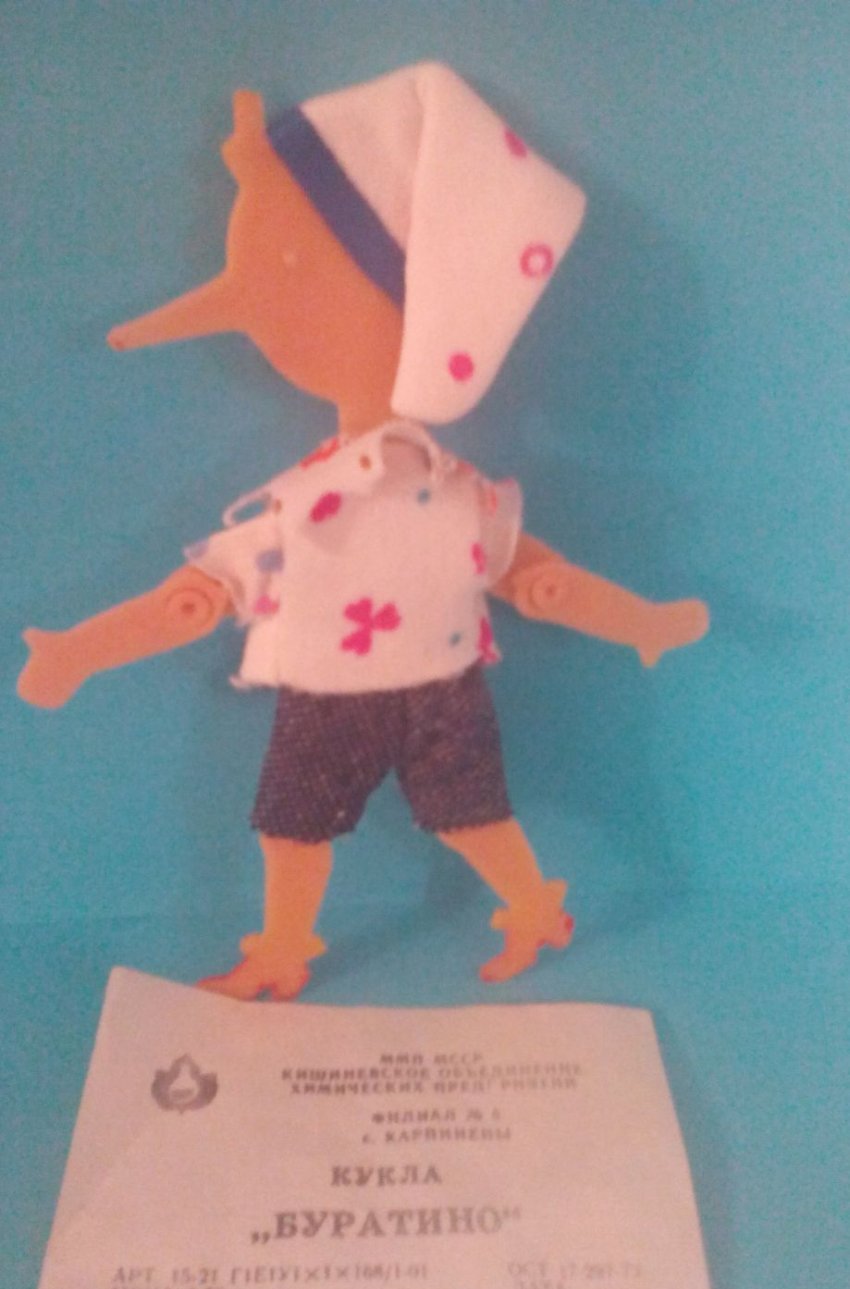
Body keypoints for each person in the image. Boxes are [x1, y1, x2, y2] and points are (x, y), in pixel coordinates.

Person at [17, 69, 708, 1000]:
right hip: (340, 696)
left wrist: (639, 621)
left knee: (462, 816)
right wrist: (84, 649)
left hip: (432, 688)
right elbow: (200, 597)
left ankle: (524, 912)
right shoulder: (331, 503)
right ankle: (286, 947)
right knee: (303, 825)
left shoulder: (402, 497)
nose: (253, 307)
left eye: (289, 277)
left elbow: (531, 574)